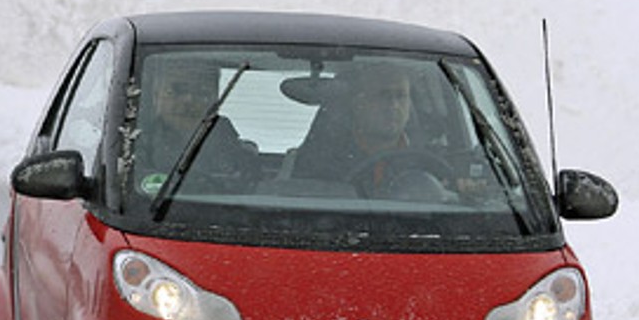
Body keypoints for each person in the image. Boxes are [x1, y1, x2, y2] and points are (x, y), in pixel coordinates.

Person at [290, 59, 426, 195]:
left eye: (401, 96)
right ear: (358, 104)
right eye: (383, 95)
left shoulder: (430, 164)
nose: (394, 105)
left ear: (410, 104)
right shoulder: (320, 164)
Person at [132, 58, 262, 196]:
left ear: (215, 99)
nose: (189, 100)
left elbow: (244, 194)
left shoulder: (238, 155)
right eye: (177, 91)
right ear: (156, 96)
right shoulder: (135, 148)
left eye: (201, 92)